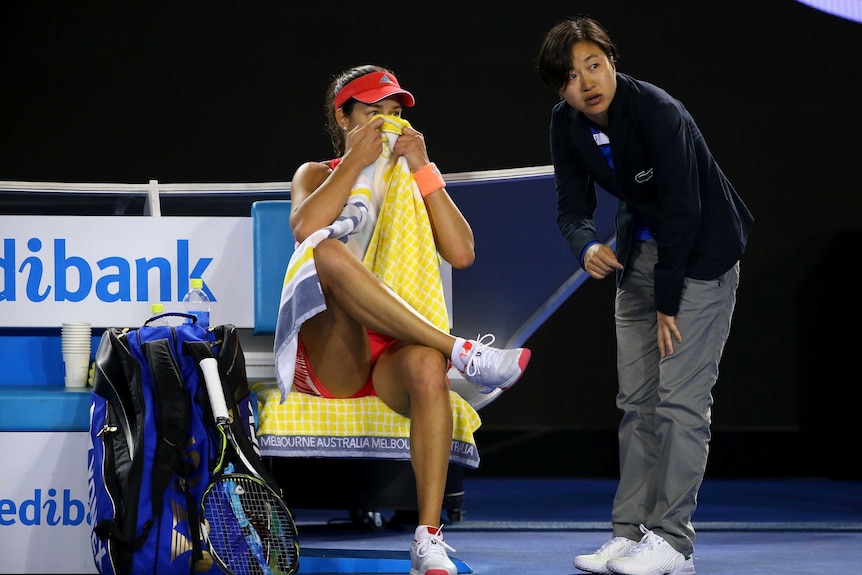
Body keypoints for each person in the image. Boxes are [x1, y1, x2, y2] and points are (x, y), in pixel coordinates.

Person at [283, 64, 532, 575]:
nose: (387, 123)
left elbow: (461, 252)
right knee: (326, 250)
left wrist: (423, 166)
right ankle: (460, 348)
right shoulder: (316, 172)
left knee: (425, 366)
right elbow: (307, 228)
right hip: (338, 352)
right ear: (344, 116)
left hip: (392, 349)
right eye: (374, 113)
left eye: (394, 114)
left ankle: (428, 538)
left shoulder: (411, 186)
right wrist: (356, 160)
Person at [536, 17, 754, 575]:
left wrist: (667, 301)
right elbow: (571, 207)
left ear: (611, 61)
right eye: (571, 75)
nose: (587, 81)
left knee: (680, 403)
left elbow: (685, 212)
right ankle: (630, 533)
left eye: (594, 64)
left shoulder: (658, 111)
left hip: (699, 259)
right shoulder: (567, 124)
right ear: (559, 89)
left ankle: (673, 542)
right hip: (640, 256)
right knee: (637, 403)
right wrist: (585, 246)